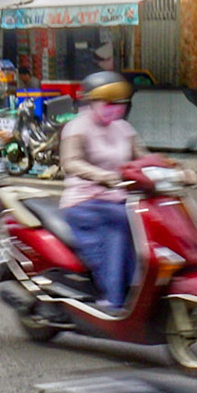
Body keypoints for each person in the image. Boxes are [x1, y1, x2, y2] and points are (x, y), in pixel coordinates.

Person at [57, 71, 147, 310]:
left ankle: (140, 289)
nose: (115, 108)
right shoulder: (76, 128)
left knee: (148, 221)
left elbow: (144, 158)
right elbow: (71, 163)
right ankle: (114, 297)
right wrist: (102, 176)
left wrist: (175, 170)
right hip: (84, 201)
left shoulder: (124, 129)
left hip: (118, 199)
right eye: (108, 102)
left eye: (120, 103)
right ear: (91, 102)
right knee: (123, 221)